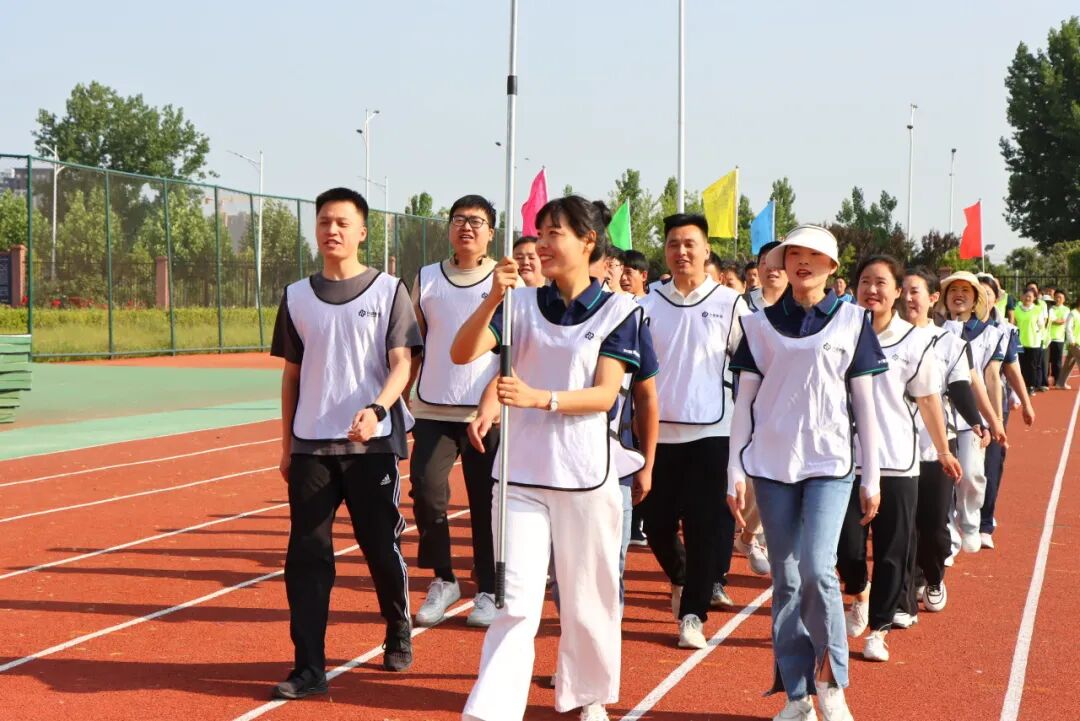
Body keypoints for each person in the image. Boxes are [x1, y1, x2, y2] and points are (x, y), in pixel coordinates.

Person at [454, 196, 646, 721]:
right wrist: (493, 297)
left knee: (587, 599)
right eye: (540, 233)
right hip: (520, 475)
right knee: (515, 601)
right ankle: (491, 711)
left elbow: (605, 395)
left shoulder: (621, 311)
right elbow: (461, 352)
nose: (542, 243)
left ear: (588, 241)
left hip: (585, 476)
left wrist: (539, 398)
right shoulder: (519, 304)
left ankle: (589, 696)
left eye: (555, 233)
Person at [728, 225, 887, 721]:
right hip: (772, 466)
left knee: (819, 570)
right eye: (793, 253)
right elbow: (744, 404)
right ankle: (796, 697)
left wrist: (872, 475)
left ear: (832, 266)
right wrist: (734, 467)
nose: (801, 261)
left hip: (830, 463)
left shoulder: (853, 321)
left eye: (813, 255)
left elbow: (866, 405)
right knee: (788, 580)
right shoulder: (759, 324)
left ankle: (832, 683)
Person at [269, 187, 422, 699]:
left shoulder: (388, 291)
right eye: (323, 222)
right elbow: (292, 375)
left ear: (362, 231)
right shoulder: (296, 296)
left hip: (370, 448)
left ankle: (397, 625)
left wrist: (377, 410)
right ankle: (308, 666)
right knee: (307, 556)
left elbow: (402, 364)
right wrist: (287, 444)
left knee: (380, 547)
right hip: (311, 445)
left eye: (341, 223)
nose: (331, 230)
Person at [836, 256, 960, 665]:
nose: (872, 290)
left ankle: (880, 629)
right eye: (865, 281)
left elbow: (928, 400)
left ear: (896, 292)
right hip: (844, 460)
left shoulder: (914, 341)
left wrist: (943, 450)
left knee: (891, 550)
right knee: (846, 548)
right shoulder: (840, 330)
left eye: (881, 283)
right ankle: (859, 592)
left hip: (897, 461)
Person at [637, 213, 749, 649]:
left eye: (689, 244)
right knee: (656, 526)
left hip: (712, 433)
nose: (681, 252)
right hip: (658, 434)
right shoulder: (646, 303)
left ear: (706, 251)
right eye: (673, 244)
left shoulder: (731, 304)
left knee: (704, 528)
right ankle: (681, 576)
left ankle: (693, 615)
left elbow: (751, 367)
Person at [406, 195, 507, 630]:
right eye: (459, 219)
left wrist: (495, 399)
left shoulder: (505, 279)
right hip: (433, 406)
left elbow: (513, 345)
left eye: (477, 221)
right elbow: (413, 340)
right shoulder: (427, 277)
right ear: (448, 228)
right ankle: (444, 578)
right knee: (427, 492)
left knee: (486, 503)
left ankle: (487, 588)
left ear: (491, 233)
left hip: (486, 410)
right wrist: (400, 394)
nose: (467, 227)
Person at [900, 269, 994, 615]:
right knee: (903, 524)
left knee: (934, 524)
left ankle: (934, 577)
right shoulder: (884, 336)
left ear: (932, 298)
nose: (908, 298)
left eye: (915, 291)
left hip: (937, 444)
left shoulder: (950, 343)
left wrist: (977, 421)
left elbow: (959, 387)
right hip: (895, 445)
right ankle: (903, 595)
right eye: (904, 290)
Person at [934, 272, 1004, 556]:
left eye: (966, 290)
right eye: (953, 290)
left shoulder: (988, 333)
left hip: (970, 418)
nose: (959, 294)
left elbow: (978, 380)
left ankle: (971, 523)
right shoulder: (933, 329)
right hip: (939, 417)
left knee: (972, 474)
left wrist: (992, 420)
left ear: (976, 299)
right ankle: (950, 538)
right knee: (943, 480)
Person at [1014, 289, 1045, 393]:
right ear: (1022, 296)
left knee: (1032, 366)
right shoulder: (1016, 309)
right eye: (1026, 296)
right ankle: (1021, 386)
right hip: (1020, 342)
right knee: (1020, 365)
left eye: (1030, 297)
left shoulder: (1038, 310)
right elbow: (1014, 323)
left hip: (1033, 342)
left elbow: (1041, 325)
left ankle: (1031, 386)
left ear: (1034, 298)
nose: (1027, 298)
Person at [1055, 297, 1080, 389]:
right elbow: (1068, 328)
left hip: (1077, 343)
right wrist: (1072, 340)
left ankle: (1060, 383)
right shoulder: (1073, 313)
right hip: (1074, 343)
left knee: (1068, 364)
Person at [1049, 290, 1069, 387]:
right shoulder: (1051, 308)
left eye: (1060, 297)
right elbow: (1051, 319)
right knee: (1047, 361)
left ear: (1064, 299)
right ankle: (1045, 381)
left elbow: (1062, 321)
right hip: (1048, 338)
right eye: (1056, 297)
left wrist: (1054, 320)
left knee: (1057, 361)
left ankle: (1057, 380)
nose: (1058, 299)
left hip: (1059, 338)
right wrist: (1054, 320)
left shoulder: (1066, 310)